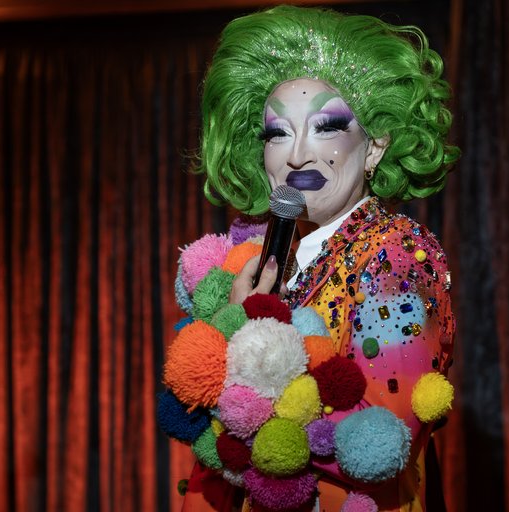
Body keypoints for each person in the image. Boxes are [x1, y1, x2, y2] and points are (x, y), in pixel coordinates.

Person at [174, 5, 458, 511]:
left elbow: (381, 440)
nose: (297, 154)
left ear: (375, 146)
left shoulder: (395, 258)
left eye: (325, 126)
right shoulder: (261, 259)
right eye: (277, 133)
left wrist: (249, 348)